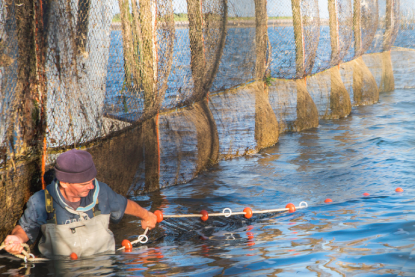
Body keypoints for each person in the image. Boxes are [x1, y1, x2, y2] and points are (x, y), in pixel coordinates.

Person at [2, 149, 157, 258]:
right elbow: (23, 230)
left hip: (104, 268)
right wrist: (16, 239)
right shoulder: (41, 201)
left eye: (91, 182)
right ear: (64, 182)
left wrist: (146, 215)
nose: (91, 187)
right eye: (84, 184)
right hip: (61, 269)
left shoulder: (100, 191)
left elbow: (124, 204)